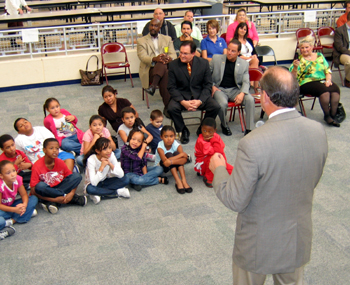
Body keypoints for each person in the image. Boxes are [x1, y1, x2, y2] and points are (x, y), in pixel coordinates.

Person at [209, 66, 328, 284]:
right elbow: (312, 180)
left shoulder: (252, 143)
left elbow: (235, 199)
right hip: (296, 238)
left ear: (264, 96)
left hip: (257, 243)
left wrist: (218, 169)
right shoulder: (318, 130)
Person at [168, 41, 220, 144]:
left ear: (193, 53)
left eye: (185, 53)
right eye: (181, 52)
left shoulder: (203, 63)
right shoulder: (173, 65)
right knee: (171, 108)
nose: (182, 55)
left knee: (215, 106)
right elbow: (171, 87)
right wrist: (183, 102)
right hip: (182, 96)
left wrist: (200, 101)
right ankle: (183, 130)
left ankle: (202, 128)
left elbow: (207, 85)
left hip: (199, 95)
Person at [291, 35, 341, 127]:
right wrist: (295, 67)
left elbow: (327, 70)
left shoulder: (320, 56)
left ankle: (333, 115)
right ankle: (327, 116)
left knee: (335, 90)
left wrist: (328, 80)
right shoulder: (299, 60)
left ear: (312, 47)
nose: (304, 50)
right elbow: (293, 78)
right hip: (305, 82)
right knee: (324, 91)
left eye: (307, 47)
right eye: (302, 48)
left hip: (322, 80)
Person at [210, 39, 255, 136]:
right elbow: (206, 75)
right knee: (222, 104)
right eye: (228, 49)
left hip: (236, 90)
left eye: (233, 51)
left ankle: (249, 129)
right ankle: (224, 124)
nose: (229, 53)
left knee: (250, 99)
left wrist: (242, 93)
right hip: (220, 89)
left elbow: (246, 81)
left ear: (239, 52)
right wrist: (212, 86)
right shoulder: (216, 59)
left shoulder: (244, 64)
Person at [30, 138, 85, 214]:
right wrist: (55, 199)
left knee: (77, 176)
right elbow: (33, 191)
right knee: (40, 186)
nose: (55, 150)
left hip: (59, 187)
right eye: (51, 148)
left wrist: (71, 193)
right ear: (44, 150)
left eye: (57, 148)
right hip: (47, 190)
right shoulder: (37, 166)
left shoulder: (60, 162)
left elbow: (70, 177)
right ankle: (64, 199)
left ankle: (53, 202)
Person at [137, 18, 176, 116]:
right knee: (162, 67)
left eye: (155, 26)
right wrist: (155, 59)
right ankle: (168, 107)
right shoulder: (141, 41)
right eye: (151, 25)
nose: (152, 28)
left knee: (164, 68)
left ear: (160, 27)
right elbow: (143, 57)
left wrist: (167, 58)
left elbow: (173, 55)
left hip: (166, 68)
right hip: (150, 69)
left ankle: (153, 86)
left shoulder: (167, 39)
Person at [84, 137, 130, 205]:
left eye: (109, 147)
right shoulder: (91, 160)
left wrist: (110, 164)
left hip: (105, 181)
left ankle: (100, 194)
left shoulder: (111, 155)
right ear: (97, 151)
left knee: (126, 179)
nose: (109, 151)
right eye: (105, 149)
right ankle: (117, 192)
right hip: (94, 184)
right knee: (90, 189)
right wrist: (102, 167)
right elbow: (93, 183)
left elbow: (121, 174)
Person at [0, 160, 38, 241]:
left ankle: (13, 219)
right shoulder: (1, 185)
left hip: (11, 206)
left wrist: (24, 205)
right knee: (1, 221)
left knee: (33, 199)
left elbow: (24, 194)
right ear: (1, 176)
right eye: (8, 173)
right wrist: (15, 210)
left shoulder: (17, 179)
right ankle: (14, 220)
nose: (13, 174)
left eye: (14, 170)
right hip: (2, 210)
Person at [194, 118, 233, 188]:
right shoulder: (200, 141)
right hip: (203, 163)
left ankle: (221, 167)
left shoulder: (216, 136)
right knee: (213, 157)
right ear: (201, 129)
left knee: (233, 172)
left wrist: (212, 139)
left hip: (216, 159)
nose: (206, 134)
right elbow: (215, 152)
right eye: (204, 130)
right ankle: (208, 178)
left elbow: (221, 149)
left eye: (210, 131)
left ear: (215, 130)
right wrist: (213, 139)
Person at [155, 126, 192, 194]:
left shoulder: (176, 144)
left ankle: (184, 181)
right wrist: (181, 155)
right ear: (161, 137)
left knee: (176, 153)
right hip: (161, 167)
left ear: (175, 136)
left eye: (171, 136)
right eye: (166, 136)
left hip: (171, 164)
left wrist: (172, 161)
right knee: (169, 154)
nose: (169, 139)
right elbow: (165, 162)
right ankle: (178, 181)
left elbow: (184, 160)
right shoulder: (160, 147)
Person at [334, 12, 350, 88]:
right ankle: (348, 80)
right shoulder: (339, 31)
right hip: (343, 53)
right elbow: (339, 47)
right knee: (349, 61)